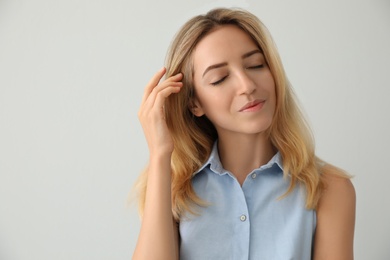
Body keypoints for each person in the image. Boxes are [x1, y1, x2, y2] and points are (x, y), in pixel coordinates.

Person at [132, 7, 356, 260]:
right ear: (195, 104)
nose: (247, 85)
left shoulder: (330, 189)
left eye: (255, 65)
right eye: (220, 78)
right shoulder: (174, 191)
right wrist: (160, 155)